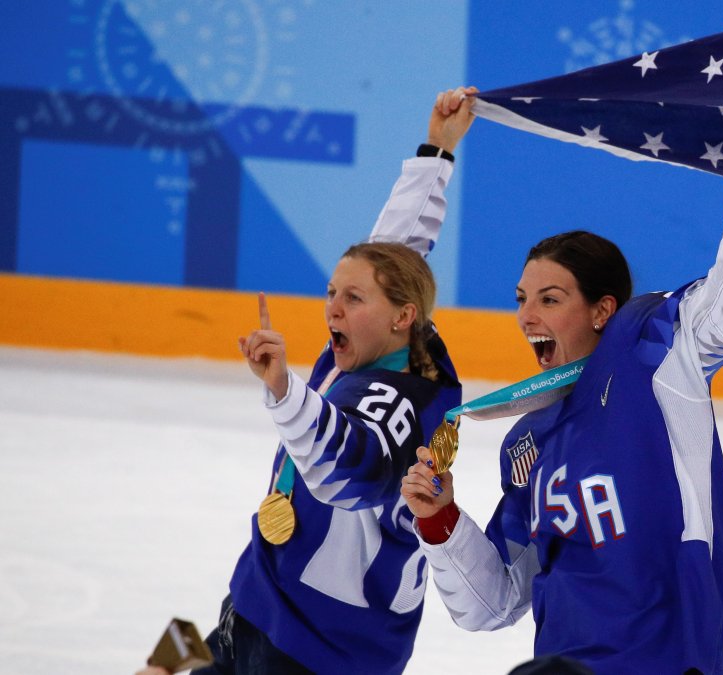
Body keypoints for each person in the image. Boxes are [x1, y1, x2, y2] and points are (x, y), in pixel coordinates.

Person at [401, 105, 723, 674]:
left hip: (667, 660)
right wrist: (439, 519)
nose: (527, 316)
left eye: (550, 299)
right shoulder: (528, 440)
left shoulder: (657, 356)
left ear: (603, 311)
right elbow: (493, 603)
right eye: (522, 299)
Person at [138, 87, 476, 675]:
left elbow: (346, 472)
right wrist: (436, 151)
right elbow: (396, 249)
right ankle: (179, 654)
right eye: (331, 293)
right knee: (172, 662)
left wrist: (284, 393)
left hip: (322, 650)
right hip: (260, 599)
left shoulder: (405, 405)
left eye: (352, 298)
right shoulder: (381, 338)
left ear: (402, 316)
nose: (333, 310)